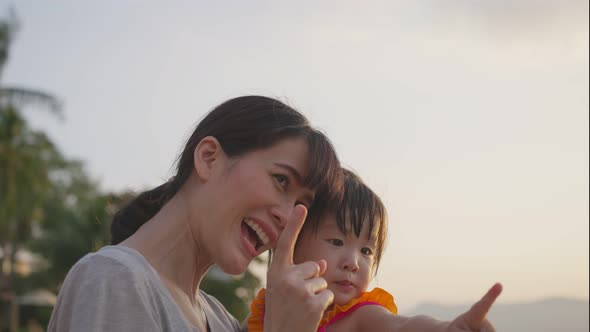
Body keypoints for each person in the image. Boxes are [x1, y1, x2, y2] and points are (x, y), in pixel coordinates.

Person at [48, 95, 344, 332]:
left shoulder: (222, 320)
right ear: (209, 158)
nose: (288, 216)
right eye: (281, 180)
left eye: (301, 204)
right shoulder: (113, 279)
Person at [248, 168, 502, 332]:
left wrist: (445, 329)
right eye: (337, 242)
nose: (353, 262)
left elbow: (402, 325)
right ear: (291, 241)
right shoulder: (265, 315)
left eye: (367, 251)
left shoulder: (360, 317)